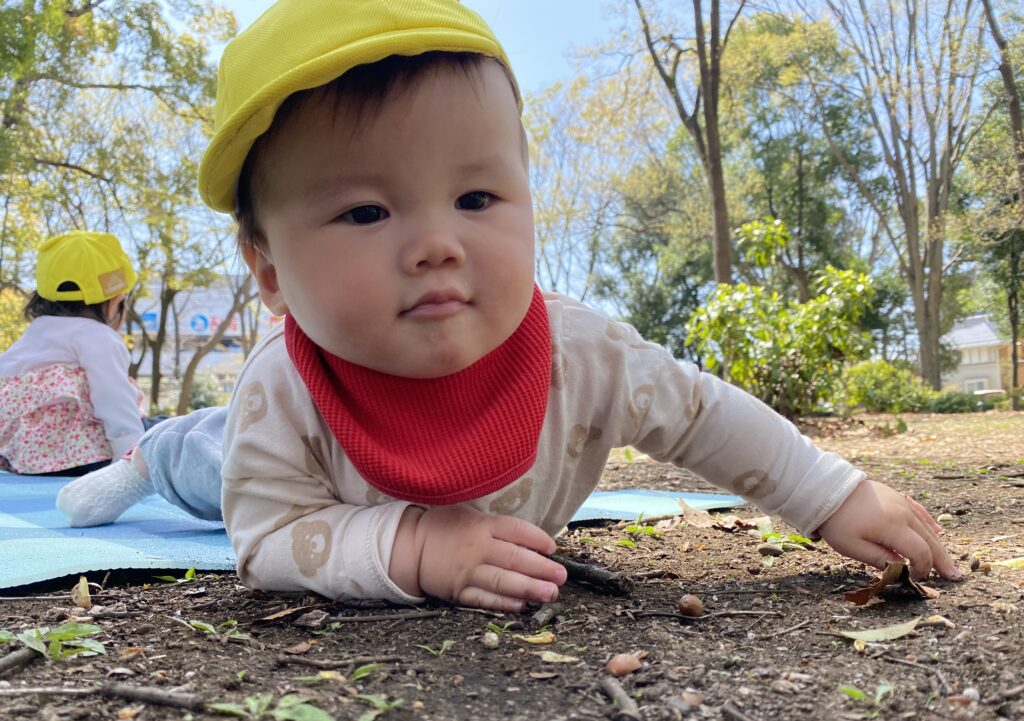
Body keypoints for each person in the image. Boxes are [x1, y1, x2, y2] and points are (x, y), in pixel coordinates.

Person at [57, 0, 961, 611]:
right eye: (366, 211)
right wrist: (415, 548)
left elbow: (700, 413)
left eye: (478, 199)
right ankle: (140, 460)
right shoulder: (280, 391)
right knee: (191, 458)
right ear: (270, 272)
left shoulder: (583, 353)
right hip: (248, 452)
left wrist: (829, 493)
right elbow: (268, 538)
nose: (436, 243)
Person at [0, 230, 145, 477]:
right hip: (81, 457)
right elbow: (114, 401)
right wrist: (133, 463)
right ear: (115, 299)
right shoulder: (98, 336)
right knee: (164, 432)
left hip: (22, 457)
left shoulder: (35, 334)